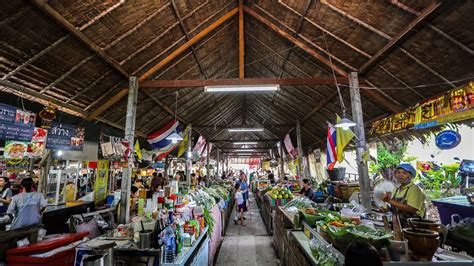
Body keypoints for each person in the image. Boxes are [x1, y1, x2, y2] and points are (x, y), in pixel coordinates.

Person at [381, 163, 426, 227]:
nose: (400, 175)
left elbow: (412, 209)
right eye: (398, 172)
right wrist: (385, 209)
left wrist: (389, 200)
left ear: (410, 176)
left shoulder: (415, 189)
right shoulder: (396, 189)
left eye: (404, 173)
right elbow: (395, 208)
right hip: (399, 224)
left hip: (414, 226)